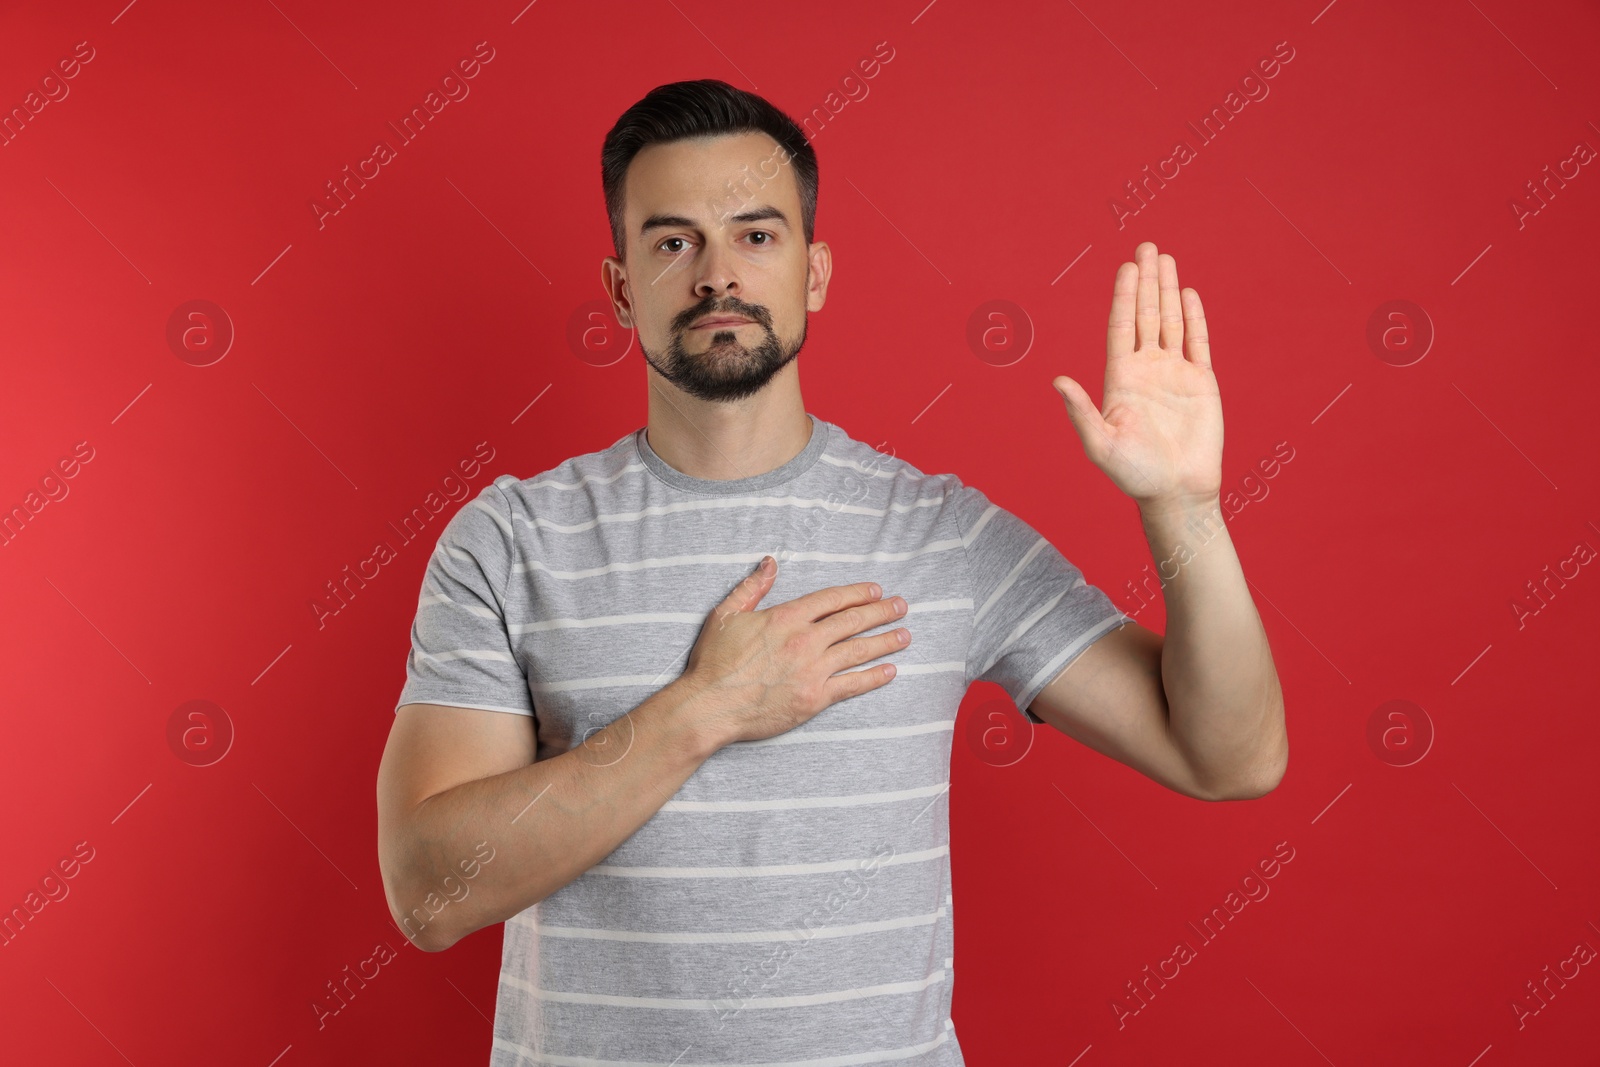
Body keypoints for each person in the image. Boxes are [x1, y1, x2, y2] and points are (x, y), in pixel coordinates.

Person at [376, 78, 1286, 1065]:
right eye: (673, 241)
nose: (716, 275)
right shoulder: (510, 537)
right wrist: (702, 709)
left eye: (756, 236)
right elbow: (429, 892)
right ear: (621, 286)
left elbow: (1229, 757)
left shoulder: (944, 533)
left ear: (813, 272)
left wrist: (1182, 511)